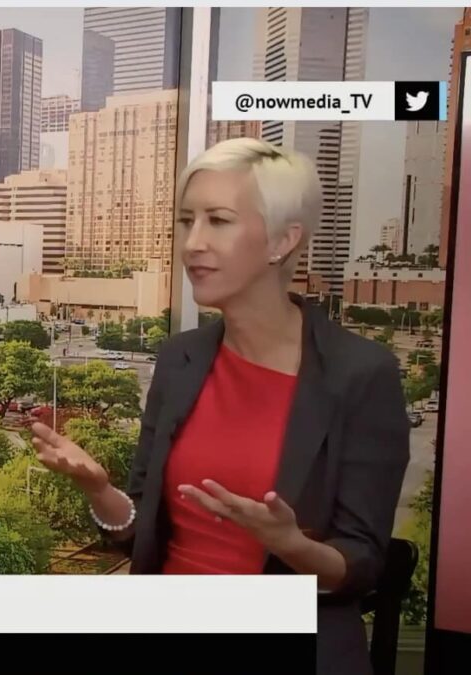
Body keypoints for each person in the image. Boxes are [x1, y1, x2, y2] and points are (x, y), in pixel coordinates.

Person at [30, 137, 408, 675]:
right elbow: (138, 531)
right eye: (187, 221)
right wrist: (100, 490)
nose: (193, 243)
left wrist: (289, 543)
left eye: (219, 221)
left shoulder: (361, 374)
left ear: (283, 239)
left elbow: (361, 567)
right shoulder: (180, 359)